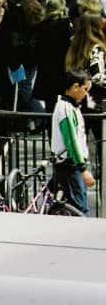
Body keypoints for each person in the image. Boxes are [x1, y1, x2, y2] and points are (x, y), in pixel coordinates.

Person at [51, 70, 95, 213]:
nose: (86, 93)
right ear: (76, 86)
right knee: (80, 208)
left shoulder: (70, 107)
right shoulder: (65, 108)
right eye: (85, 89)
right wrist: (83, 169)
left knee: (76, 204)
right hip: (70, 166)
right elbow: (71, 141)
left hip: (70, 165)